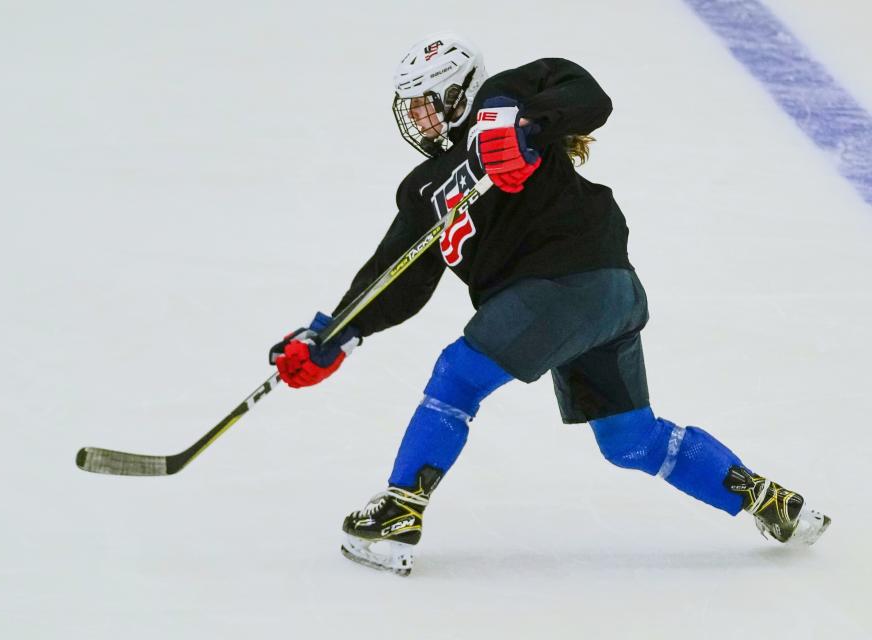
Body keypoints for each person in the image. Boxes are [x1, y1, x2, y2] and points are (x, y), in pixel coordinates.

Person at [269, 32, 831, 576]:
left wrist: (527, 125)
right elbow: (395, 278)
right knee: (630, 440)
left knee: (457, 378)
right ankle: (769, 501)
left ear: (460, 90)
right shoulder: (422, 189)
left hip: (561, 289)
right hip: (607, 298)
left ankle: (398, 513)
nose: (418, 118)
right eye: (410, 107)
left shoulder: (505, 99)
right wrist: (332, 332)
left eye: (427, 103)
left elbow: (587, 94)